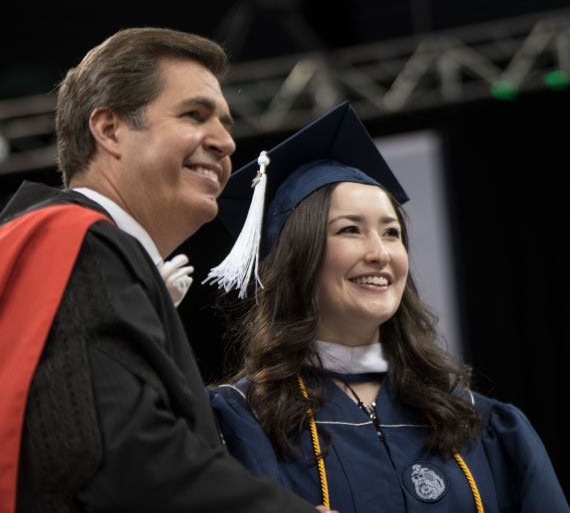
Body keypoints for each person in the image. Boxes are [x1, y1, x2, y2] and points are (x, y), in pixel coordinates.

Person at [0, 27, 337, 513]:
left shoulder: (36, 245)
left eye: (225, 121)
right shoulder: (79, 246)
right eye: (194, 115)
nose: (226, 141)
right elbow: (124, 458)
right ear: (110, 129)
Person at [206, 102, 569, 512]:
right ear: (297, 256)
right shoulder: (244, 423)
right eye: (350, 230)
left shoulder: (475, 421)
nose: (380, 253)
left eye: (392, 232)